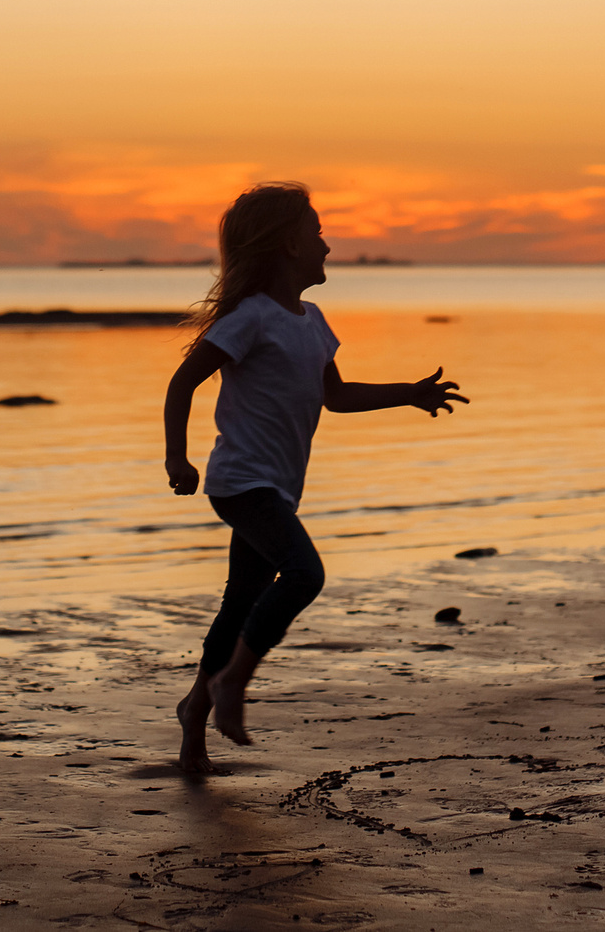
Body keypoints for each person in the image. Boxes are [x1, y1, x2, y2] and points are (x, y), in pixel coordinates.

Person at [161, 182, 468, 773]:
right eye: (318, 231)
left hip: (276, 486)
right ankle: (231, 685)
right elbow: (183, 383)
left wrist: (410, 393)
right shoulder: (250, 318)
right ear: (286, 244)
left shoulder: (314, 320)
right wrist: (178, 458)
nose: (328, 245)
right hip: (240, 481)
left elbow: (336, 396)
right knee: (304, 572)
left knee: (241, 601)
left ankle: (194, 711)